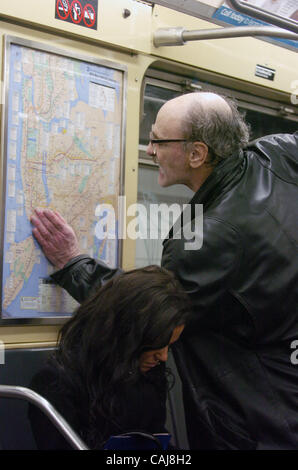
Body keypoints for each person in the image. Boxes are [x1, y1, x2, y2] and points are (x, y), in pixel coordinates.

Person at [30, 91, 298, 450]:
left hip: (256, 410)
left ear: (197, 154)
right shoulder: (280, 151)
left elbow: (140, 306)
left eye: (158, 140)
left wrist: (72, 263)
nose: (149, 150)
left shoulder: (206, 241)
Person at [28, 265, 191, 450]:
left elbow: (153, 439)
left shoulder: (147, 374)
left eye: (168, 346)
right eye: (155, 345)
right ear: (125, 334)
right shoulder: (57, 383)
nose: (162, 357)